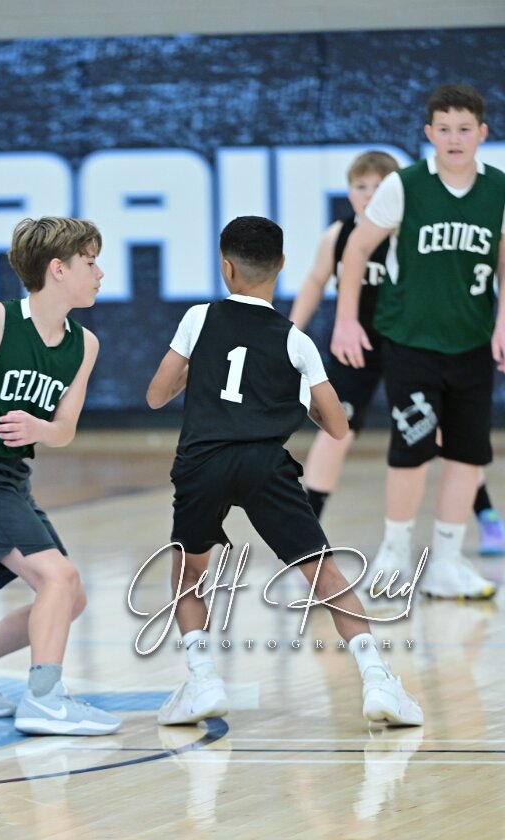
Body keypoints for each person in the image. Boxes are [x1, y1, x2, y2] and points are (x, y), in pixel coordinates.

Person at [145, 215, 422, 729]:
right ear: (282, 267)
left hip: (202, 461)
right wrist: (305, 403)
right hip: (264, 464)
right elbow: (337, 426)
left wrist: (194, 374)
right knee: (325, 574)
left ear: (226, 267)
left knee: (189, 571)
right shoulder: (295, 340)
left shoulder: (199, 318)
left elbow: (157, 395)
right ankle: (378, 679)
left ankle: (202, 679)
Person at [0, 216, 121, 737]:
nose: (100, 273)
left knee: (68, 596)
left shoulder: (85, 345)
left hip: (10, 478)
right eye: (90, 263)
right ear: (58, 269)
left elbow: (65, 430)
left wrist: (40, 428)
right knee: (59, 580)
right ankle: (45, 697)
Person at [331, 83, 505, 599]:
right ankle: (395, 555)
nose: (454, 139)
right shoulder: (404, 185)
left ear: (482, 133)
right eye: (444, 129)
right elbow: (356, 249)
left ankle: (446, 563)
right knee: (411, 449)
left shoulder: (498, 188)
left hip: (472, 342)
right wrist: (346, 320)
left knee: (468, 456)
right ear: (429, 133)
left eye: (464, 129)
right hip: (410, 341)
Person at [292, 150, 398, 518]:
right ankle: (309, 522)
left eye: (380, 187)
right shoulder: (337, 235)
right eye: (361, 186)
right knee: (337, 428)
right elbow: (315, 281)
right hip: (355, 346)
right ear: (349, 191)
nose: (370, 195)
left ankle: (484, 511)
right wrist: (290, 332)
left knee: (440, 429)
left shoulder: (410, 233)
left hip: (406, 344)